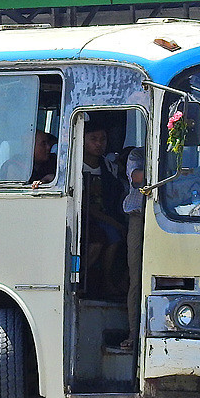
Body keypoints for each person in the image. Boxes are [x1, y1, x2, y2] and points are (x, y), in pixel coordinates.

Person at [82, 118, 126, 299]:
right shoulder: (73, 165)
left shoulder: (108, 166)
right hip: (86, 218)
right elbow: (88, 207)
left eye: (103, 139)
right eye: (93, 139)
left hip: (107, 215)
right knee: (110, 236)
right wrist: (115, 223)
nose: (99, 144)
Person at [119, 145, 146, 350]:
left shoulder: (179, 150)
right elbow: (137, 178)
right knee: (136, 278)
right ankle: (133, 333)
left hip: (173, 217)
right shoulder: (137, 154)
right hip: (138, 217)